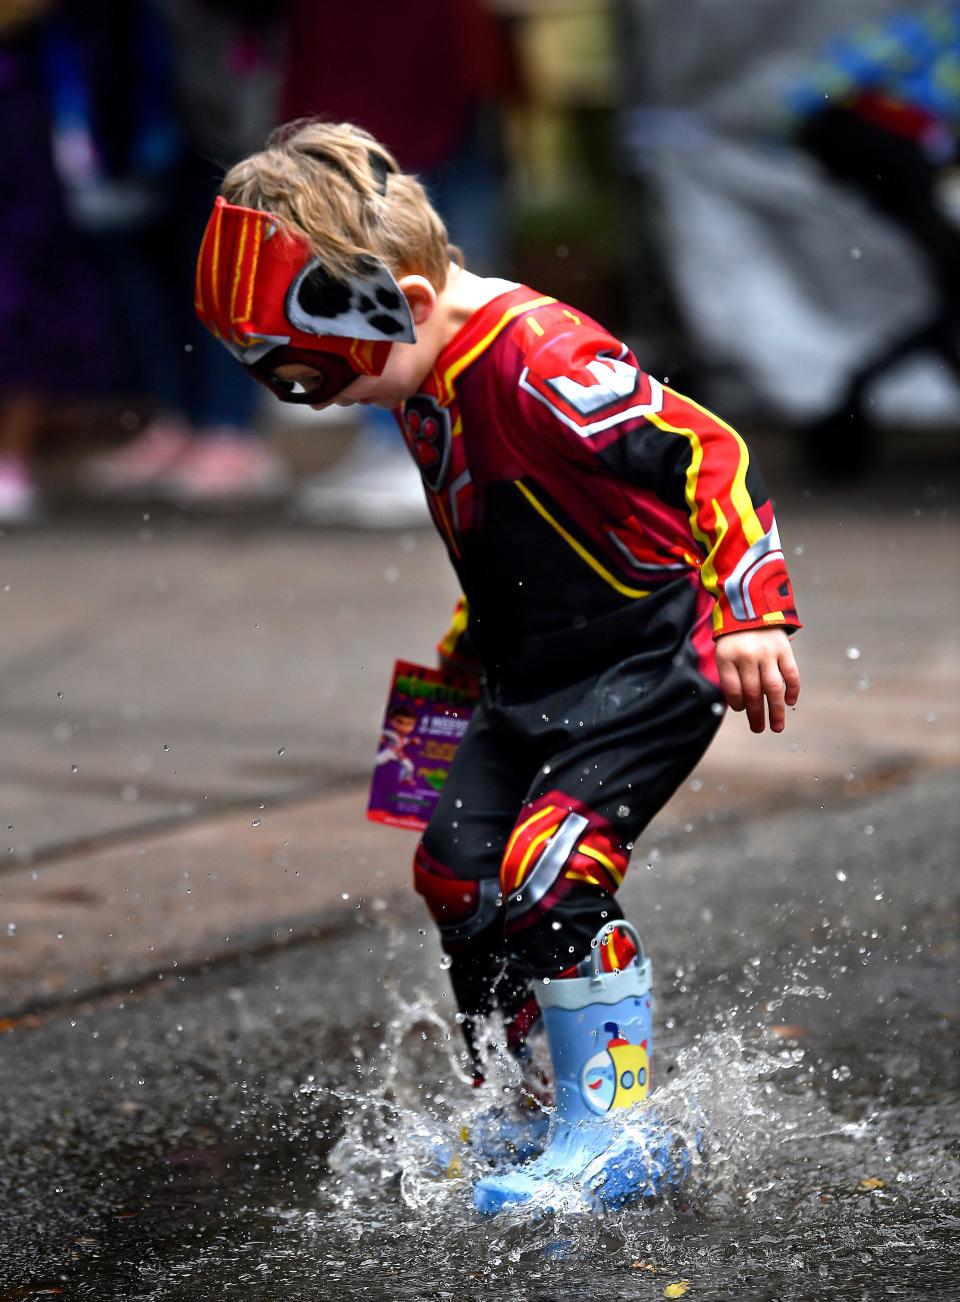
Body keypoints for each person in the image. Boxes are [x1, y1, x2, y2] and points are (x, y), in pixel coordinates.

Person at [194, 121, 802, 1213]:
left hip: (651, 655)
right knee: (455, 870)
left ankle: (614, 1131)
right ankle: (524, 1106)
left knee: (551, 870)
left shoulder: (541, 363)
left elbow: (705, 448)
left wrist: (752, 608)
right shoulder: (420, 367)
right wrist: (454, 670)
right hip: (521, 667)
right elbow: (506, 522)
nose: (325, 403)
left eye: (327, 381)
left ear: (412, 308)